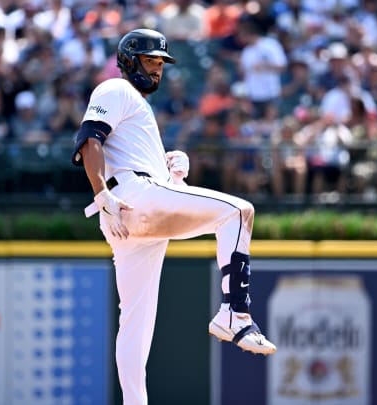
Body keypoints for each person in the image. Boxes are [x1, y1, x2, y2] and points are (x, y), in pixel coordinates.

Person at [70, 28, 276, 405]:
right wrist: (101, 193)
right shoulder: (115, 90)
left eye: (161, 63)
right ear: (129, 60)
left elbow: (130, 160)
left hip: (131, 210)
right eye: (150, 60)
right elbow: (90, 141)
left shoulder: (136, 105)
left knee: (136, 324)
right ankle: (235, 316)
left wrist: (173, 174)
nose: (157, 70)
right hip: (129, 199)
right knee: (238, 212)